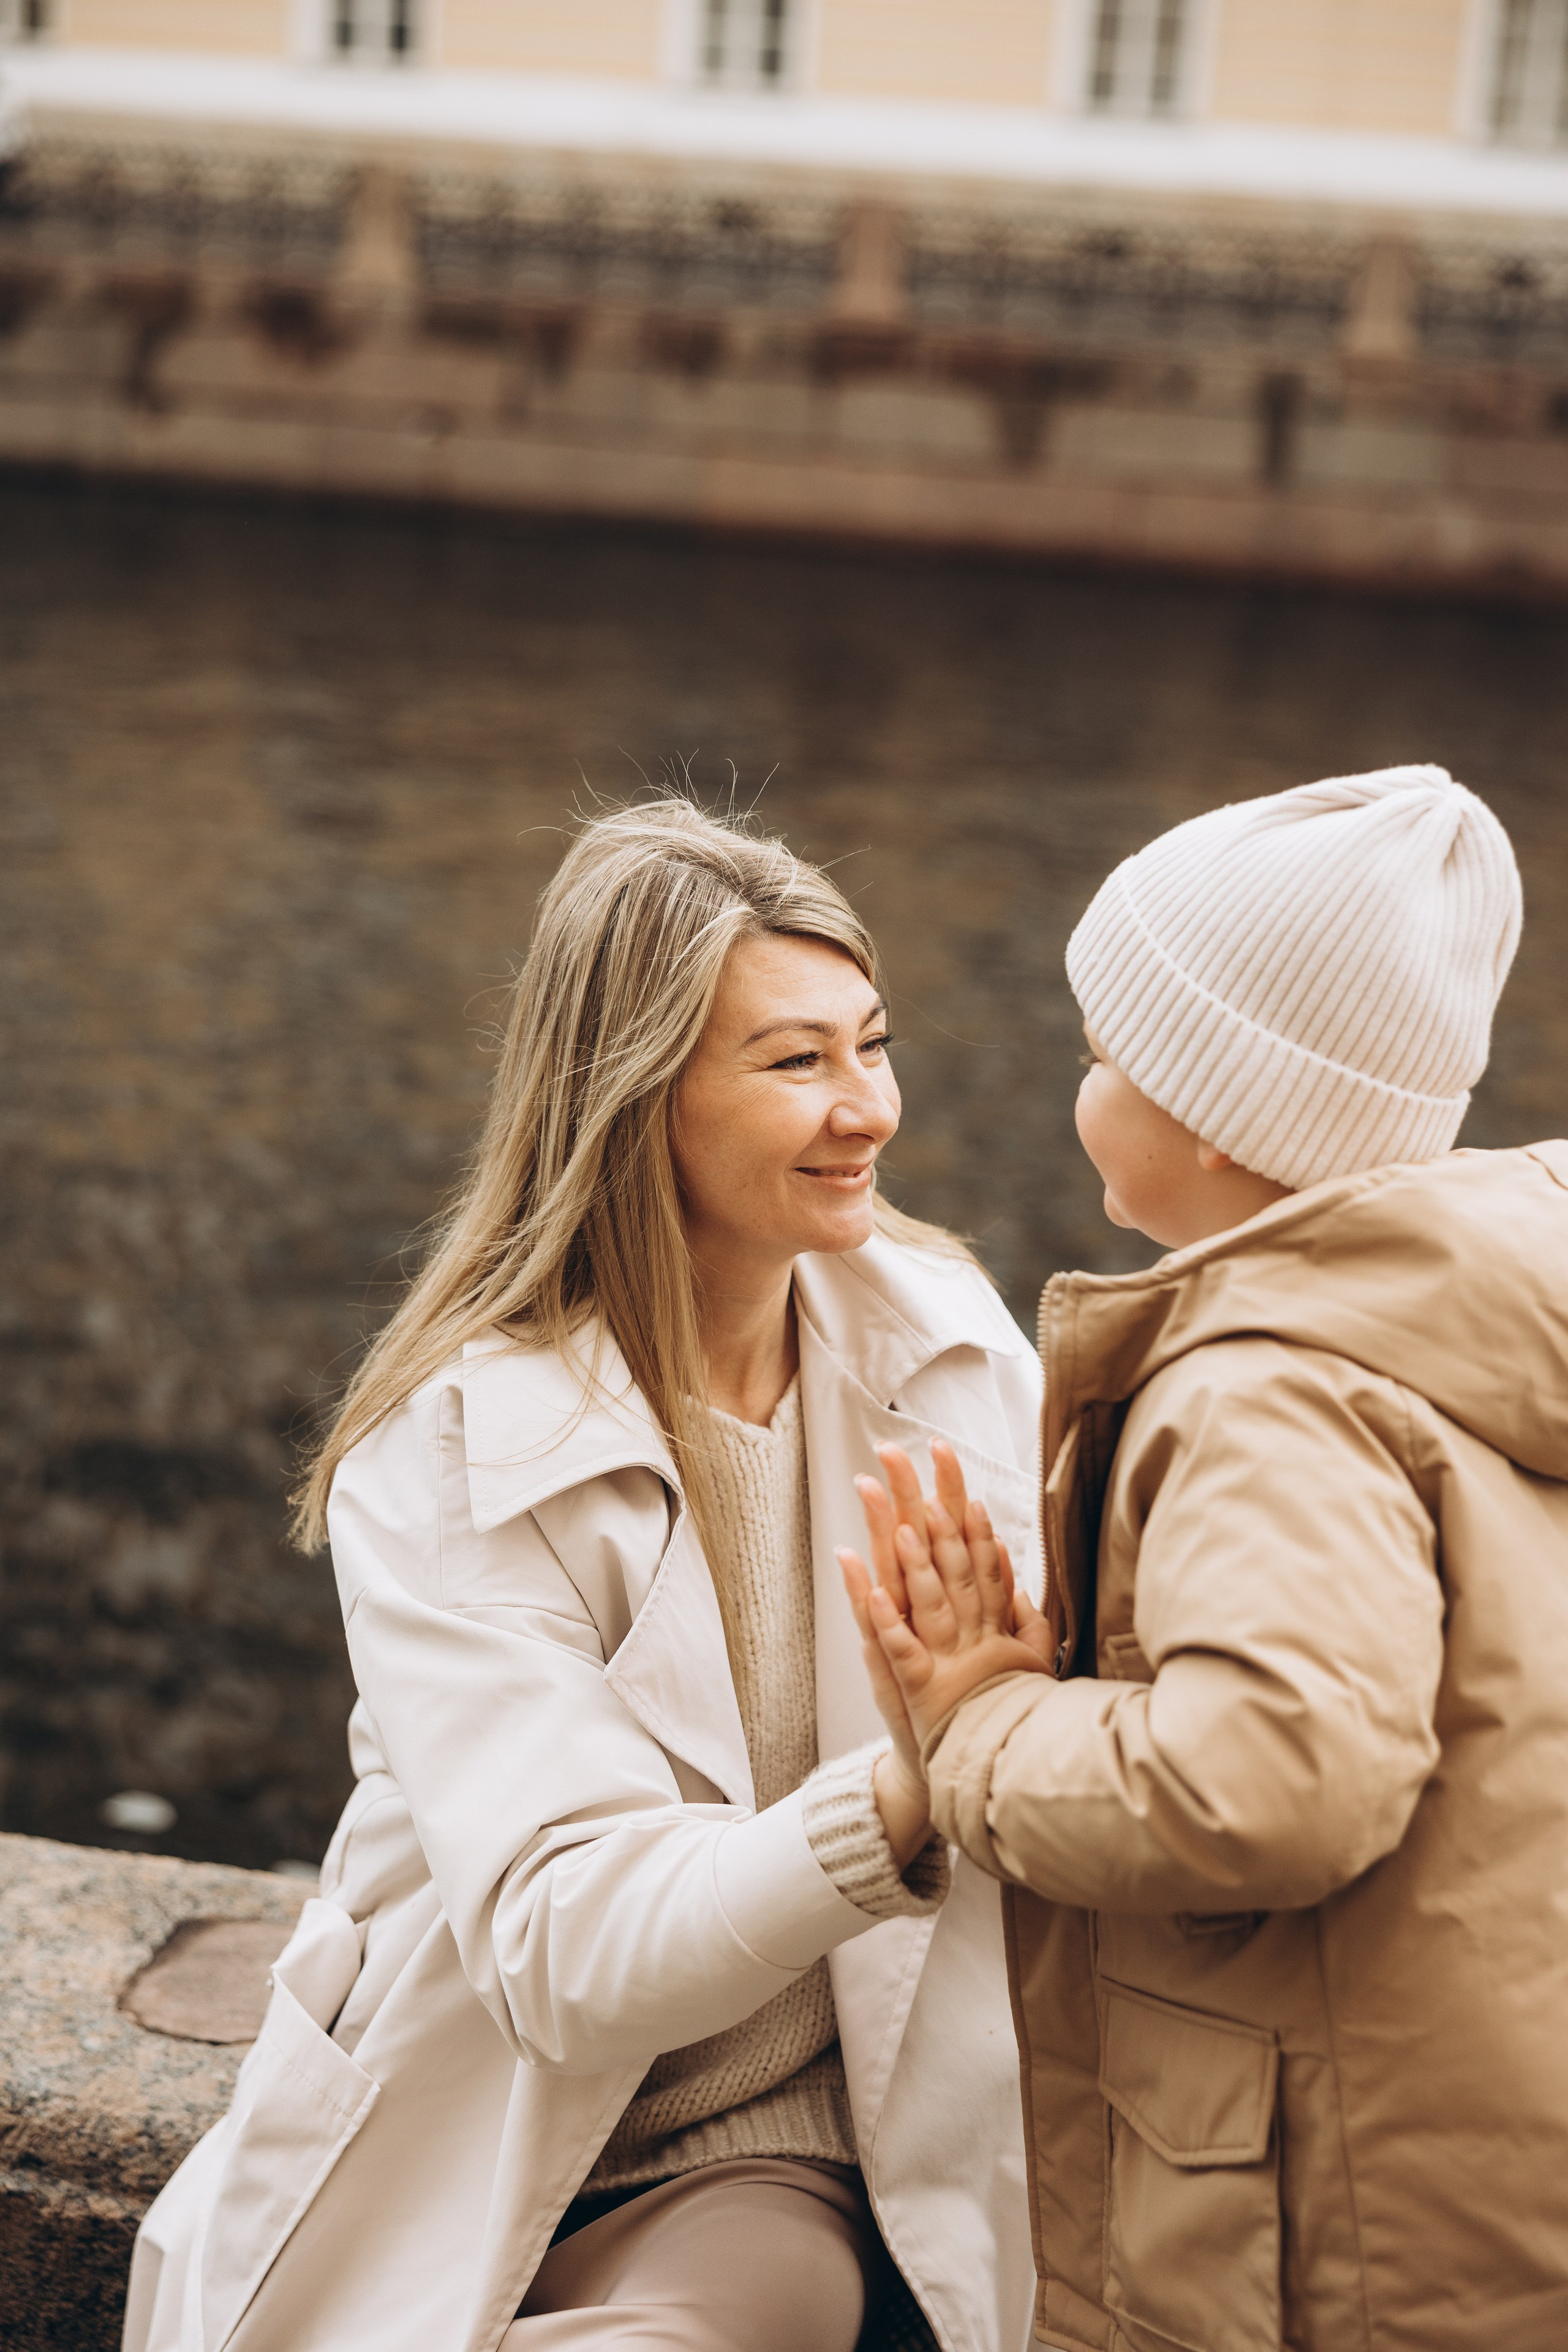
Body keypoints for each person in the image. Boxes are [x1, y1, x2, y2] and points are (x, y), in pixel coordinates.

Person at [121, 798, 1042, 2352]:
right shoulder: (454, 1444)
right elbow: (564, 1951)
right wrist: (902, 1793)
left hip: (791, 2141)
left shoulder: (948, 1347)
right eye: (794, 1062)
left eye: (870, 1044)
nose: (868, 1109)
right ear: (634, 1098)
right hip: (480, 2139)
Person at [842, 764, 1568, 2351]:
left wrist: (984, 1718)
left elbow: (1277, 1775)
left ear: (1225, 1122)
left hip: (1330, 2243)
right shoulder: (1473, 1338)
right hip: (1477, 2165)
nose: (1080, 1084)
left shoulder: (1270, 1389)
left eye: (1105, 1053)